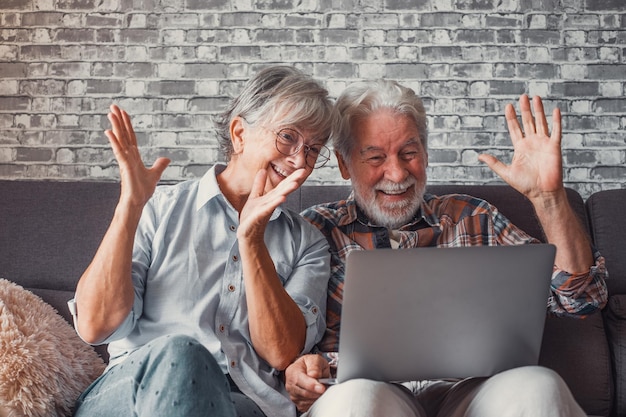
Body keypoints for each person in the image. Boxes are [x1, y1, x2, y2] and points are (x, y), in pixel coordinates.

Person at [284, 80, 609, 417]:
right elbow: (280, 340)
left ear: (425, 152)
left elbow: (581, 301)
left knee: (539, 387)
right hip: (364, 391)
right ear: (344, 163)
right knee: (354, 402)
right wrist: (298, 371)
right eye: (376, 157)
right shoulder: (316, 230)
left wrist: (549, 199)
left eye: (409, 153)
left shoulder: (474, 217)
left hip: (471, 392)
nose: (396, 173)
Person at [69, 65, 336, 417]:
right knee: (182, 354)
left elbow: (281, 353)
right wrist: (130, 207)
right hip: (134, 393)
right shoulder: (160, 210)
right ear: (240, 133)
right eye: (288, 137)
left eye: (314, 149)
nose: (300, 160)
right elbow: (94, 326)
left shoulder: (307, 243)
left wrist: (252, 240)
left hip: (239, 403)